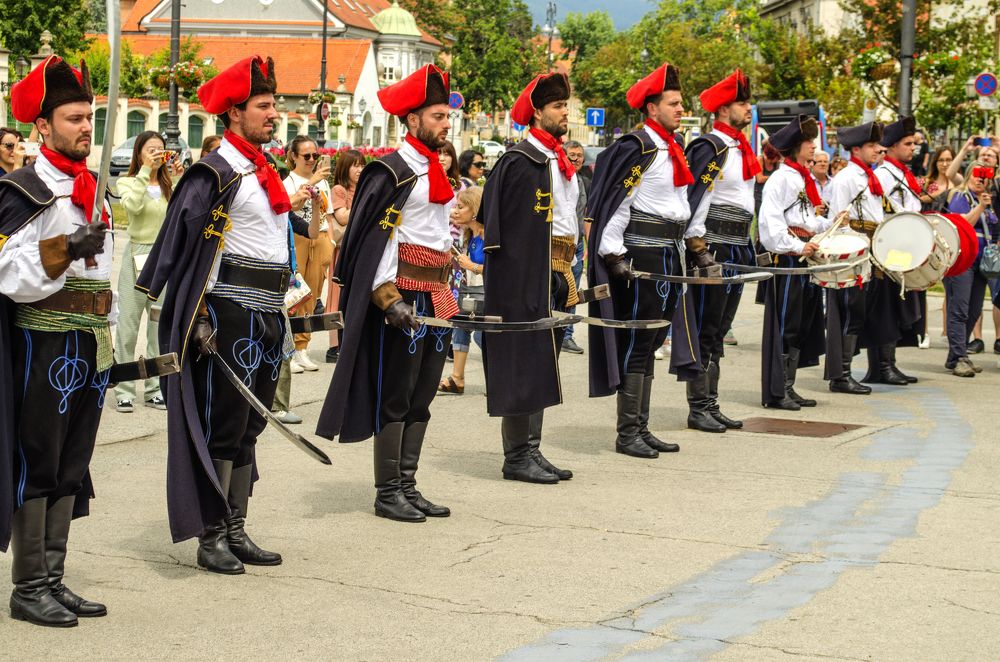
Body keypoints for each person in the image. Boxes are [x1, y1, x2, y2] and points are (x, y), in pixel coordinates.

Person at [137, 56, 320, 573]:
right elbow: (187, 244)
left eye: (275, 104)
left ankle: (237, 527)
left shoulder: (261, 172)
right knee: (224, 423)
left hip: (268, 312)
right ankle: (212, 533)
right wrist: (195, 316)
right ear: (234, 114)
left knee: (251, 425)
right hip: (228, 312)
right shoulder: (215, 172)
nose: (274, 114)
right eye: (263, 106)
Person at [316, 64, 455, 522]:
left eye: (446, 116)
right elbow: (371, 238)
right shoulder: (390, 171)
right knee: (396, 394)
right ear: (413, 121)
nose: (446, 123)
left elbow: (435, 232)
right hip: (403, 294)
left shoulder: (436, 169)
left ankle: (409, 485)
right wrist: (387, 296)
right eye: (437, 116)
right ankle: (387, 490)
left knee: (424, 394)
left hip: (437, 292)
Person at [0, 55, 112, 626]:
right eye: (73, 118)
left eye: (89, 117)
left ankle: (54, 576)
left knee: (73, 461)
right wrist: (67, 246)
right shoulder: (22, 189)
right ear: (42, 126)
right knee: (38, 460)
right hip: (42, 340)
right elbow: (6, 269)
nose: (86, 127)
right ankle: (28, 586)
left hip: (89, 339)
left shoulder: (94, 186)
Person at [587, 61, 704, 457]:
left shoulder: (672, 147)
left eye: (681, 103)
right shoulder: (638, 148)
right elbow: (619, 204)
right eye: (673, 103)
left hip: (670, 253)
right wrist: (614, 255)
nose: (680, 109)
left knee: (655, 338)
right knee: (638, 338)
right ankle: (627, 433)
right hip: (643, 254)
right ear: (652, 108)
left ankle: (642, 426)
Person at [480, 71, 582, 482]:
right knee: (524, 361)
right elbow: (499, 224)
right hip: (528, 274)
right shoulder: (521, 161)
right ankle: (516, 456)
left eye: (565, 106)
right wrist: (517, 278)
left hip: (559, 269)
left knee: (544, 362)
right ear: (537, 112)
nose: (565, 113)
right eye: (558, 107)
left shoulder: (556, 160)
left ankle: (531, 449)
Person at [684, 68, 758, 433]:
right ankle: (698, 406)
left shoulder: (738, 147)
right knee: (706, 327)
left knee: (720, 328)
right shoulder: (710, 146)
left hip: (738, 244)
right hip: (713, 244)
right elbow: (698, 198)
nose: (749, 109)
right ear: (723, 110)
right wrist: (699, 248)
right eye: (742, 103)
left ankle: (710, 403)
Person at [757, 115, 829, 410]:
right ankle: (778, 390)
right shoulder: (781, 179)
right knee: (787, 323)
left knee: (800, 323)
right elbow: (771, 228)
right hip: (787, 261)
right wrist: (798, 245)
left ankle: (788, 384)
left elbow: (806, 221)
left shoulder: (800, 178)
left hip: (803, 258)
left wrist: (828, 224)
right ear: (795, 147)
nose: (814, 147)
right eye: (809, 142)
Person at [825, 121, 896, 394]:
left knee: (859, 310)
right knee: (848, 309)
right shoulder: (846, 178)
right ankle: (840, 375)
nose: (878, 149)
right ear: (856, 149)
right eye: (871, 145)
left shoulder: (867, 176)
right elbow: (840, 218)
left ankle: (846, 371)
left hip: (870, 246)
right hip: (853, 248)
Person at [113, 130, 177, 413]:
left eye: (160, 149)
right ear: (139, 153)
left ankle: (154, 387)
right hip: (137, 254)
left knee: (156, 326)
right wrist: (144, 172)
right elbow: (133, 207)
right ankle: (125, 388)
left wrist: (176, 177)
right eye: (150, 149)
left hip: (163, 257)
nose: (156, 154)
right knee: (128, 325)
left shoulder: (169, 185)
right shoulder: (127, 181)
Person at [871, 116, 925, 378]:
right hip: (889, 247)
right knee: (887, 306)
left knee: (898, 304)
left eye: (913, 143)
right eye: (907, 144)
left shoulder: (901, 173)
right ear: (892, 147)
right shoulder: (883, 175)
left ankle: (889, 363)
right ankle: (881, 366)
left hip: (903, 246)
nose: (913, 148)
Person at [283, 135, 334, 373]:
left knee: (312, 295)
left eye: (315, 155)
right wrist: (312, 182)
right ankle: (290, 348)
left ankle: (303, 347)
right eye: (306, 156)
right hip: (297, 238)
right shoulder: (289, 182)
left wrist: (331, 240)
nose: (312, 160)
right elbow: (290, 207)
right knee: (295, 295)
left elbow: (328, 213)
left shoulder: (323, 182)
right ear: (293, 156)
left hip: (319, 236)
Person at [943, 163, 996, 376]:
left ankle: (958, 353)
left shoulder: (990, 201)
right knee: (960, 308)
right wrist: (981, 207)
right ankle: (959, 357)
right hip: (962, 259)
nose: (980, 180)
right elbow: (960, 224)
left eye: (984, 176)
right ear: (968, 176)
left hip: (983, 261)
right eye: (976, 175)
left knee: (974, 310)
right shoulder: (960, 197)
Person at [438, 186, 485, 394]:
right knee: (460, 324)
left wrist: (472, 266)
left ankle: (499, 378)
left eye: (461, 206)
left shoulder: (489, 235)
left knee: (482, 336)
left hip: (487, 293)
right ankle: (457, 378)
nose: (455, 211)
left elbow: (504, 267)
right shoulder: (468, 235)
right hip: (470, 291)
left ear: (474, 210)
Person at [325, 148, 364, 363]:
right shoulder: (340, 189)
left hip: (359, 248)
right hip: (343, 250)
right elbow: (342, 217)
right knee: (337, 295)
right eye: (355, 165)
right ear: (345, 167)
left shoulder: (363, 189)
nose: (359, 169)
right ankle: (334, 346)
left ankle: (349, 342)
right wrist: (366, 202)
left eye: (362, 165)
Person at [561, 139, 588, 355]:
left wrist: (586, 243)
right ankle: (554, 331)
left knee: (573, 291)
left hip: (577, 246)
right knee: (557, 289)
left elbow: (585, 216)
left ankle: (567, 335)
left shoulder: (581, 181)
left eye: (580, 155)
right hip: (558, 247)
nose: (577, 158)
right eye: (572, 154)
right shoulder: (559, 180)